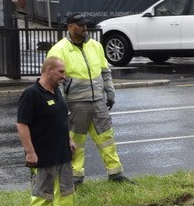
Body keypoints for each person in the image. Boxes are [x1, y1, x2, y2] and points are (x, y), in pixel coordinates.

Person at [16, 56, 94, 206]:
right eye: (61, 72)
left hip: (62, 155)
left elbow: (61, 118)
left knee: (67, 194)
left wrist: (68, 139)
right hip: (43, 157)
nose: (64, 76)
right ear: (48, 70)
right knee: (43, 198)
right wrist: (30, 152)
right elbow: (22, 125)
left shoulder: (56, 91)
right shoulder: (31, 94)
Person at [46, 13, 133, 186]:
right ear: (70, 27)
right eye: (81, 25)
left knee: (107, 138)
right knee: (76, 142)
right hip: (76, 104)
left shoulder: (95, 46)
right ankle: (76, 178)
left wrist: (110, 92)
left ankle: (116, 174)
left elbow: (105, 71)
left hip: (97, 102)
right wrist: (62, 105)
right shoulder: (59, 50)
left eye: (86, 25)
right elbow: (55, 81)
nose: (85, 28)